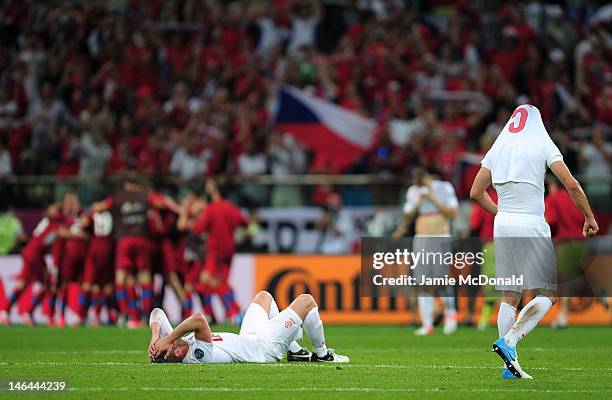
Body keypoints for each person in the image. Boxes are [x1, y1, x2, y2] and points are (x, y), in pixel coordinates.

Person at [470, 104, 598, 379]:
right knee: (548, 294)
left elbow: (476, 192)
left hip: (502, 225)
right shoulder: (541, 141)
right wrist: (588, 216)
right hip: (531, 223)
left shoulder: (499, 146)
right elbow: (571, 184)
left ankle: (509, 368)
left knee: (510, 294)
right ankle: (511, 341)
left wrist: (502, 213)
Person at [148, 291, 349, 364]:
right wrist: (167, 339)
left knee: (264, 297)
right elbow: (199, 319)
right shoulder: (198, 355)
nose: (175, 340)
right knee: (306, 301)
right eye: (173, 345)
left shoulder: (175, 344)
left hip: (249, 337)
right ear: (173, 354)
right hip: (265, 349)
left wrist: (156, 336)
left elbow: (157, 313)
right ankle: (322, 354)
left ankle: (294, 351)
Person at [392, 168, 460, 336]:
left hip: (440, 236)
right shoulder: (414, 191)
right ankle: (427, 323)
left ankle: (451, 316)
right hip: (421, 238)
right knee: (422, 282)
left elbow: (452, 213)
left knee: (442, 280)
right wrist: (417, 203)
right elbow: (407, 217)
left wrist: (433, 199)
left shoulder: (444, 188)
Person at [181, 180, 248, 323]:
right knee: (220, 282)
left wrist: (188, 218)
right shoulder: (233, 208)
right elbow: (247, 224)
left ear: (215, 191)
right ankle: (234, 313)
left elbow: (198, 229)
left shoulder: (211, 209)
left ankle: (235, 310)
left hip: (214, 251)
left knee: (206, 280)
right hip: (229, 251)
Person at [545, 175, 587, 329]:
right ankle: (603, 297)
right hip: (581, 241)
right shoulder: (578, 197)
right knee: (578, 276)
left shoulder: (553, 199)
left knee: (567, 281)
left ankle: (563, 316)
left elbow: (552, 220)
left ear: (554, 185)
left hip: (563, 242)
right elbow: (585, 218)